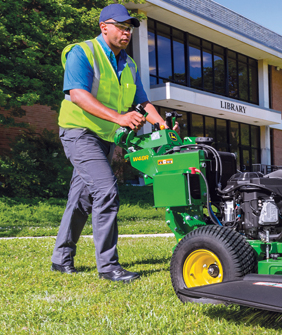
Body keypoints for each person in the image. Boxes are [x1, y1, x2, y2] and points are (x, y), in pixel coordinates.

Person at [51, 4, 175, 283]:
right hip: (79, 132)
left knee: (81, 200)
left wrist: (162, 124)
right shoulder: (82, 52)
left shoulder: (129, 64)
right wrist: (118, 117)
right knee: (106, 191)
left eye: (129, 28)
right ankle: (108, 267)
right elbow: (78, 94)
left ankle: (61, 259)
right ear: (103, 27)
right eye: (120, 26)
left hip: (104, 138)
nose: (126, 32)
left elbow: (142, 102)